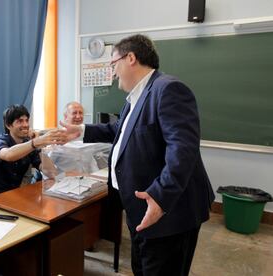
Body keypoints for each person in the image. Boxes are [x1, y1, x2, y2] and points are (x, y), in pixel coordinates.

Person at [61, 34, 215, 276]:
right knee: (142, 268)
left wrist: (160, 197)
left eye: (113, 65)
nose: (112, 73)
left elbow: (182, 150)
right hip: (141, 209)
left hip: (169, 213)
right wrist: (80, 130)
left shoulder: (168, 89)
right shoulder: (135, 97)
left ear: (130, 58)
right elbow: (118, 130)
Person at [0, 104, 68, 212]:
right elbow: (9, 155)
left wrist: (39, 147)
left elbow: (51, 172)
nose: (25, 124)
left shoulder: (29, 145)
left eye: (26, 120)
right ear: (8, 125)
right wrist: (35, 143)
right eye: (20, 121)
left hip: (13, 197)